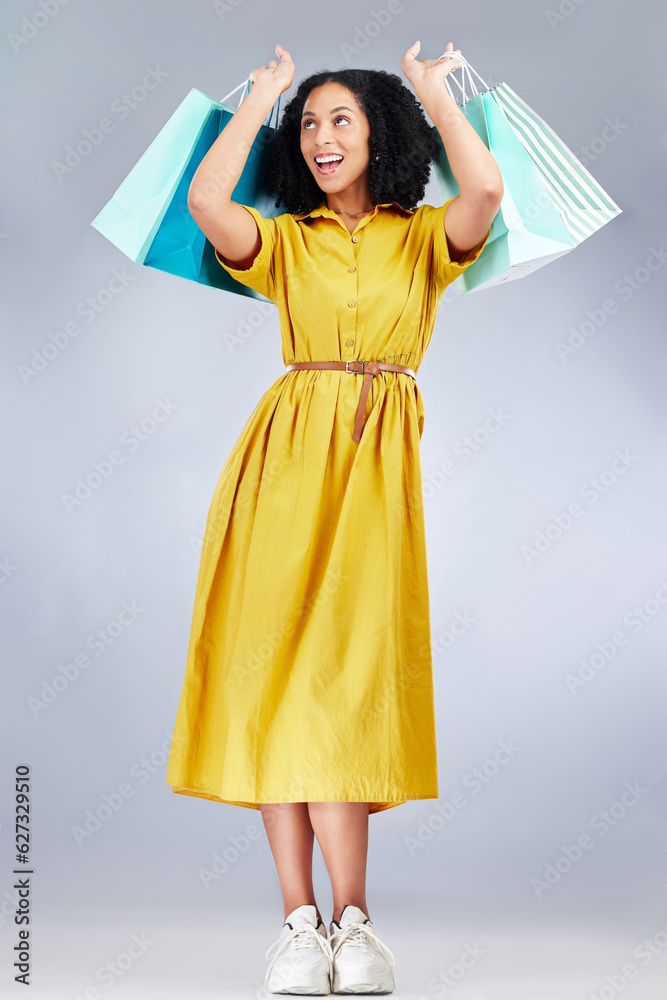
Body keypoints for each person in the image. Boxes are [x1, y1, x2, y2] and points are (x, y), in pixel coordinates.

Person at [166, 40, 503, 995]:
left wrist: (436, 91)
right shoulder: (286, 245)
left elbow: (485, 195)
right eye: (308, 125)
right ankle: (298, 925)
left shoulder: (421, 237)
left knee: (345, 686)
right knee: (278, 683)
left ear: (378, 134)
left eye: (339, 119)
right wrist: (264, 95)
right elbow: (206, 204)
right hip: (280, 468)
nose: (320, 137)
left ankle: (357, 923)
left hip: (373, 476)